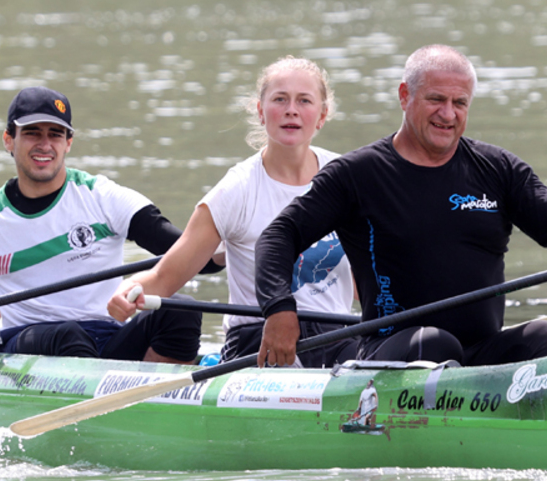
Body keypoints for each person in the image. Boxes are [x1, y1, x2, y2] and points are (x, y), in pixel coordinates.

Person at [256, 44, 547, 369]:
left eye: (460, 103)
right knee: (435, 343)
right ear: (405, 96)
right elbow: (278, 236)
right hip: (396, 351)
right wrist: (280, 310)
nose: (448, 114)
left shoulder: (497, 169)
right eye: (436, 99)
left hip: (479, 353)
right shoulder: (357, 175)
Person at [0, 86, 217, 362]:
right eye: (32, 133)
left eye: (55, 134)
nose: (45, 144)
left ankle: (153, 402)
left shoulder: (102, 196)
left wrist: (231, 247)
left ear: (68, 143)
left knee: (181, 309)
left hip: (106, 337)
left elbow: (189, 252)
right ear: (8, 140)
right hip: (25, 342)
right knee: (68, 336)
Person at [106, 56, 358, 368]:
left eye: (304, 100)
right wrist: (129, 289)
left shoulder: (348, 178)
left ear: (321, 115)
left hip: (334, 337)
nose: (291, 109)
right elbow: (166, 275)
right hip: (257, 337)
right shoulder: (236, 190)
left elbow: (370, 282)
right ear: (261, 111)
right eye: (280, 99)